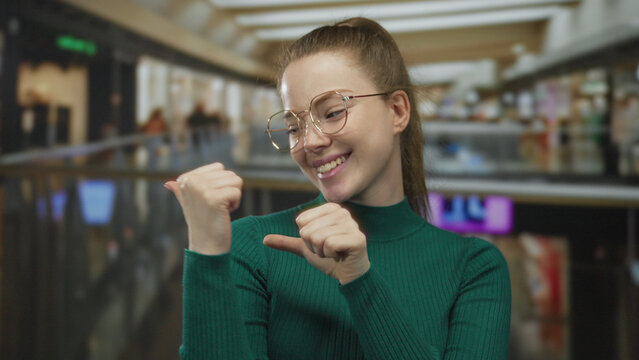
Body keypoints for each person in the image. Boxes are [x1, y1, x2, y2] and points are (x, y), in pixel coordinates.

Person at [165, 17, 510, 359]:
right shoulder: (255, 246)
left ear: (397, 111)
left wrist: (359, 279)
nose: (310, 142)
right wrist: (207, 252)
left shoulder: (474, 268)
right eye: (294, 126)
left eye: (332, 112)